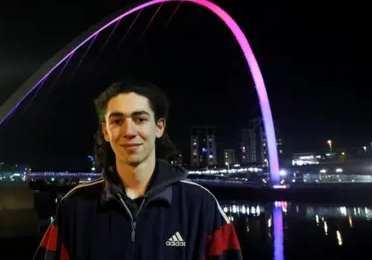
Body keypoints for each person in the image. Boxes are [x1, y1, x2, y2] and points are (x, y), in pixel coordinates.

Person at [33, 80, 242, 260]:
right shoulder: (75, 207)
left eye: (140, 119)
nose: (129, 131)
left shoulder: (200, 205)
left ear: (159, 127)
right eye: (117, 121)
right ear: (106, 131)